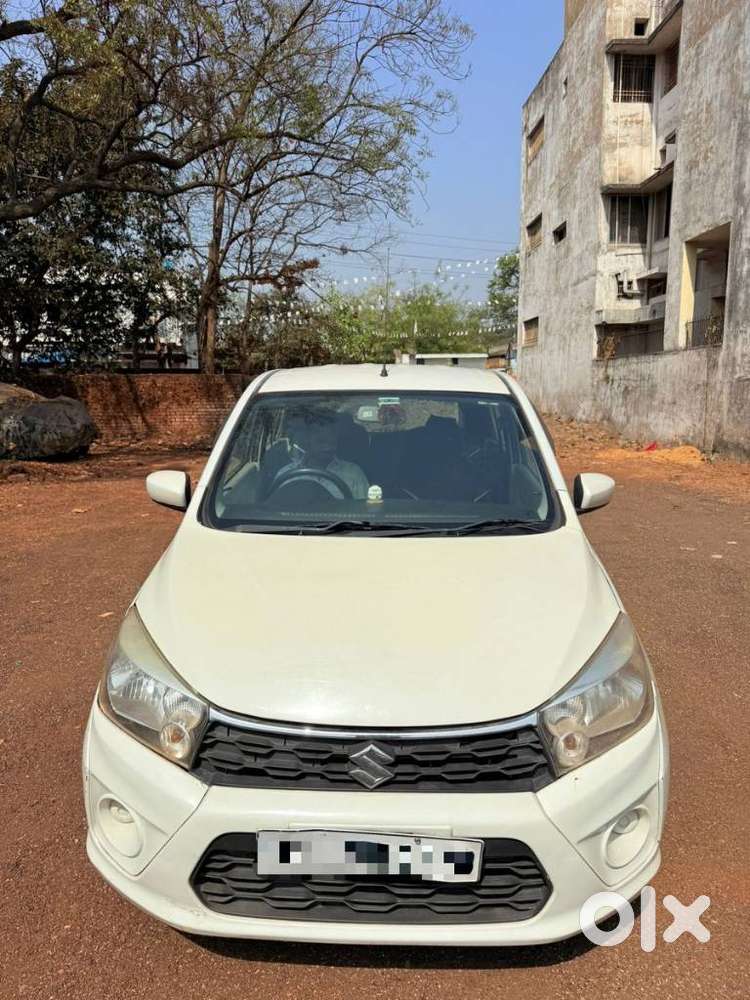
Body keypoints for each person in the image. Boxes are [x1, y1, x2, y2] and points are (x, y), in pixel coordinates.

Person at [276, 416, 369, 499]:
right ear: (307, 441)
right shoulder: (286, 474)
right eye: (321, 441)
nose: (328, 447)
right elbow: (275, 510)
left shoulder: (354, 474)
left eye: (332, 442)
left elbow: (363, 511)